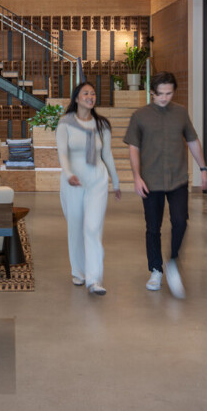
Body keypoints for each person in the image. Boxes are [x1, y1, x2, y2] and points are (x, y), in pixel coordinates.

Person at [124, 71, 207, 299]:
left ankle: (172, 261)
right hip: (150, 180)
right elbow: (134, 147)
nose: (164, 98)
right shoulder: (140, 116)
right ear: (152, 92)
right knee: (153, 227)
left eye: (168, 93)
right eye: (160, 94)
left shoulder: (181, 112)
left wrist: (203, 169)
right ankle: (155, 270)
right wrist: (136, 177)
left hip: (178, 179)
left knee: (181, 222)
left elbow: (192, 140)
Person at [56, 81, 121, 295]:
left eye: (93, 93)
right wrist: (68, 174)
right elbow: (62, 153)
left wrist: (116, 181)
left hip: (97, 180)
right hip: (73, 180)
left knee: (93, 228)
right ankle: (79, 272)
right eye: (86, 93)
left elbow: (107, 154)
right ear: (76, 98)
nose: (90, 96)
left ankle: (94, 279)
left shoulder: (102, 125)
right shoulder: (65, 123)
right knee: (75, 227)